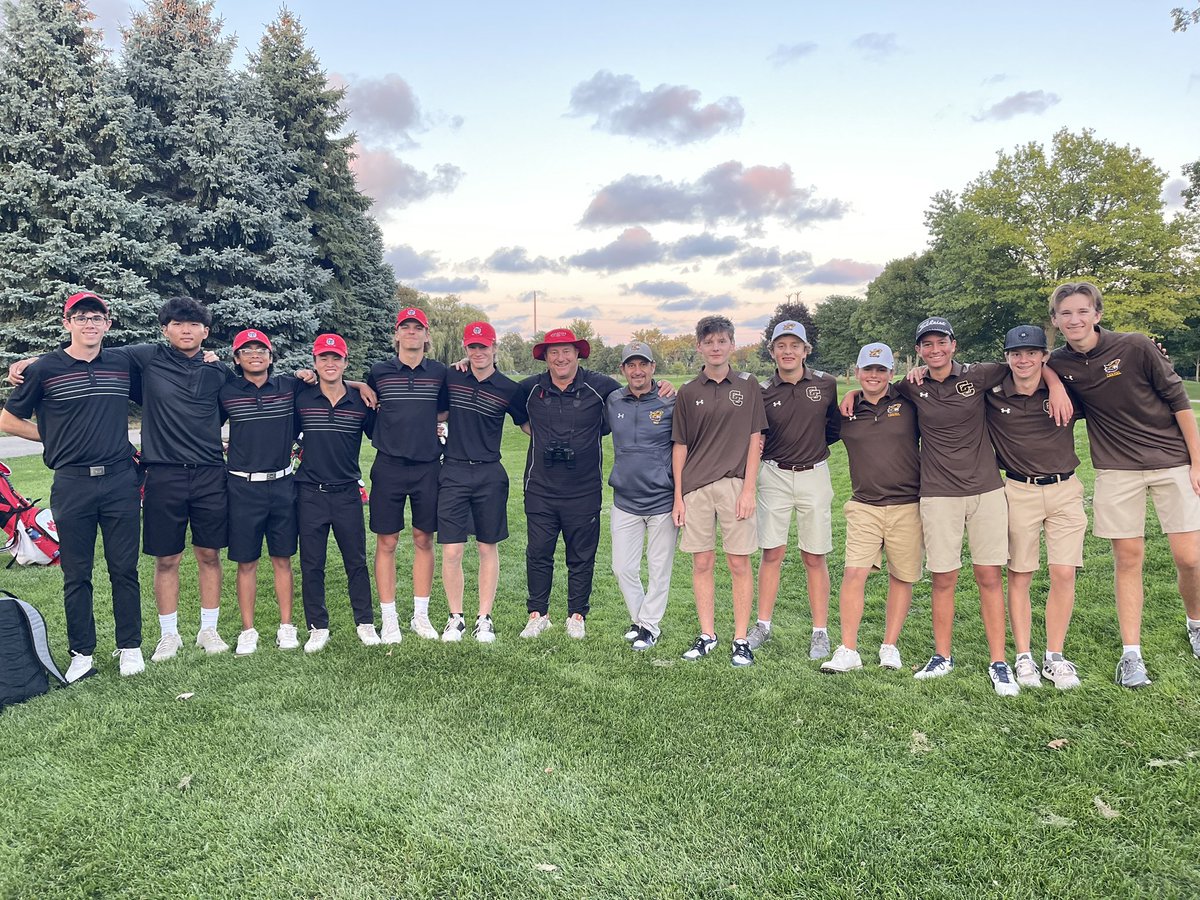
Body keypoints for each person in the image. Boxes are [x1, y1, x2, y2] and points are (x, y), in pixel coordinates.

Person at [841, 316, 1069, 695]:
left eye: (941, 342)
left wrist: (1056, 385)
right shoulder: (911, 387)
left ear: (953, 344)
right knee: (943, 578)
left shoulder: (979, 375)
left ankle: (999, 662)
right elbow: (874, 388)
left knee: (989, 577)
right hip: (937, 495)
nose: (935, 350)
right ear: (918, 351)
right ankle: (942, 655)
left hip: (986, 491)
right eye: (927, 344)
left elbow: (1028, 364)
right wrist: (849, 394)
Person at [1048, 282, 1200, 688]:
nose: (1075, 319)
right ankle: (1131, 655)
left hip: (1172, 461)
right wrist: (1056, 381)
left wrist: (1198, 462)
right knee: (1128, 559)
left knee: (1189, 558)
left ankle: (1196, 622)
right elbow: (1035, 365)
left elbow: (1180, 402)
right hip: (1117, 469)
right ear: (1056, 321)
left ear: (1097, 314)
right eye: (1066, 313)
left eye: (1083, 311)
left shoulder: (1135, 346)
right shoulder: (1059, 362)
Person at [0, 291, 144, 680]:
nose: (90, 324)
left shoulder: (121, 364)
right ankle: (82, 651)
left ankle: (129, 645)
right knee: (76, 572)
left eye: (97, 317)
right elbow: (8, 421)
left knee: (124, 569)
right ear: (67, 324)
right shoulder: (45, 369)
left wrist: (208, 357)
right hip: (72, 484)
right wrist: (53, 437)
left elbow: (166, 369)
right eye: (81, 317)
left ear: (108, 324)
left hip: (119, 480)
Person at [125, 297, 232, 661]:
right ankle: (169, 635)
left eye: (193, 324)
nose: (185, 330)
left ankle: (209, 630)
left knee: (209, 553)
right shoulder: (146, 358)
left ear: (206, 331)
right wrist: (32, 361)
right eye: (177, 323)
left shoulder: (218, 371)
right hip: (163, 474)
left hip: (209, 473)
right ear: (165, 328)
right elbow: (90, 353)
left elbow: (252, 393)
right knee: (166, 558)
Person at [985, 325, 1087, 689]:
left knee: (1064, 572)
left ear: (1046, 356)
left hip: (1065, 488)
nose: (1023, 359)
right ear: (1007, 357)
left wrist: (1056, 385)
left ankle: (1054, 657)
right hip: (1017, 489)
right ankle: (1024, 656)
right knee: (1021, 573)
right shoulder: (993, 392)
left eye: (1032, 353)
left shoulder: (1067, 390)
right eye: (1016, 353)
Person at [672, 315, 768, 667]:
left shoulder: (748, 384)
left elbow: (755, 438)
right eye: (708, 342)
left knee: (739, 562)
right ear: (699, 346)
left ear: (731, 345)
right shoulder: (688, 391)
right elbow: (679, 446)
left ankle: (740, 639)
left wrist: (748, 489)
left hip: (734, 485)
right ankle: (707, 634)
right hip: (696, 488)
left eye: (722, 341)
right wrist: (678, 496)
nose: (715, 347)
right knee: (702, 561)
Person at [820, 342, 921, 674]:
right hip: (864, 505)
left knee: (901, 576)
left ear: (892, 373)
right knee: (853, 574)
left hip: (907, 504)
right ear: (857, 372)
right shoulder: (846, 411)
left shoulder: (909, 401)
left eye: (881, 370)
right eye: (868, 369)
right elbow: (817, 437)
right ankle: (848, 649)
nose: (874, 375)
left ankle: (889, 646)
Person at [515, 327, 621, 639]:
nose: (561, 357)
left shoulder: (602, 386)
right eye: (554, 352)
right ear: (545, 357)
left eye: (567, 351)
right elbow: (495, 392)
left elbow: (637, 396)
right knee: (538, 553)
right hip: (540, 488)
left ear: (578, 354)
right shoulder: (529, 388)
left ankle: (577, 615)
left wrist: (663, 386)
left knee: (581, 556)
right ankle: (538, 614)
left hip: (584, 489)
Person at [750, 320, 840, 659]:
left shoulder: (826, 384)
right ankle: (763, 624)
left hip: (814, 473)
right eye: (781, 346)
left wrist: (809, 449)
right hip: (773, 475)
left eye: (795, 345)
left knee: (814, 554)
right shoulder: (761, 390)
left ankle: (820, 631)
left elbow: (833, 428)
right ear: (772, 351)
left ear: (806, 350)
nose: (788, 352)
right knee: (771, 552)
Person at [437, 321, 528, 643]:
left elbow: (528, 425)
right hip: (453, 472)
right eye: (472, 347)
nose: (478, 352)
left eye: (483, 347)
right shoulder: (452, 377)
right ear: (466, 350)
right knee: (452, 550)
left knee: (487, 547)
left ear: (494, 349)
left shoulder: (508, 388)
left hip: (490, 473)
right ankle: (455, 618)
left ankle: (484, 618)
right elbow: (437, 413)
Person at [366, 307, 449, 644]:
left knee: (423, 539)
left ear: (427, 336)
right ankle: (389, 618)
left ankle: (420, 615)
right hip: (388, 467)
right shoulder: (379, 371)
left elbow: (444, 408)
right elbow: (368, 405)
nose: (412, 332)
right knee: (387, 541)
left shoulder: (440, 372)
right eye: (406, 327)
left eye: (419, 328)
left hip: (428, 466)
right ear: (396, 334)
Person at [294, 334, 378, 652]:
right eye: (323, 358)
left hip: (346, 493)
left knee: (355, 561)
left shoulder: (361, 402)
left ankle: (365, 622)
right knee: (312, 563)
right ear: (315, 362)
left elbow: (383, 430)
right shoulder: (302, 398)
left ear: (345, 362)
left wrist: (359, 386)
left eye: (336, 358)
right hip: (309, 493)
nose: (330, 364)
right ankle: (318, 626)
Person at [219, 329, 301, 656]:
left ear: (270, 355)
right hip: (242, 486)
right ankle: (248, 630)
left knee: (283, 559)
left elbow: (330, 380)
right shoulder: (226, 392)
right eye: (247, 350)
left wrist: (360, 384)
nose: (255, 354)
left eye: (261, 349)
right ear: (237, 358)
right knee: (247, 562)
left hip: (282, 484)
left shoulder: (288, 386)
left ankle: (286, 626)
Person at [606, 341, 677, 651]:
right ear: (623, 370)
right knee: (622, 567)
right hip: (625, 499)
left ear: (652, 368)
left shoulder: (670, 400)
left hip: (662, 498)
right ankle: (640, 620)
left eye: (643, 364)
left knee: (659, 567)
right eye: (631, 365)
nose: (637, 370)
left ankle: (649, 626)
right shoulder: (613, 400)